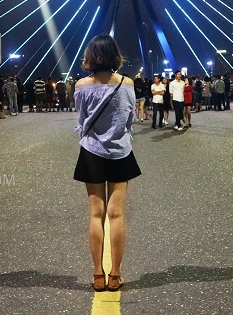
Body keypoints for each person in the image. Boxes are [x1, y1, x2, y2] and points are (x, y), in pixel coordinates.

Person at [73, 34, 140, 293]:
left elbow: (81, 119)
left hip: (91, 152)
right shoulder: (127, 83)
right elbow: (129, 119)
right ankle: (116, 275)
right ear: (115, 55)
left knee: (95, 214)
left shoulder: (81, 85)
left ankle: (98, 275)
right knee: (117, 214)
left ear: (90, 56)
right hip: (120, 151)